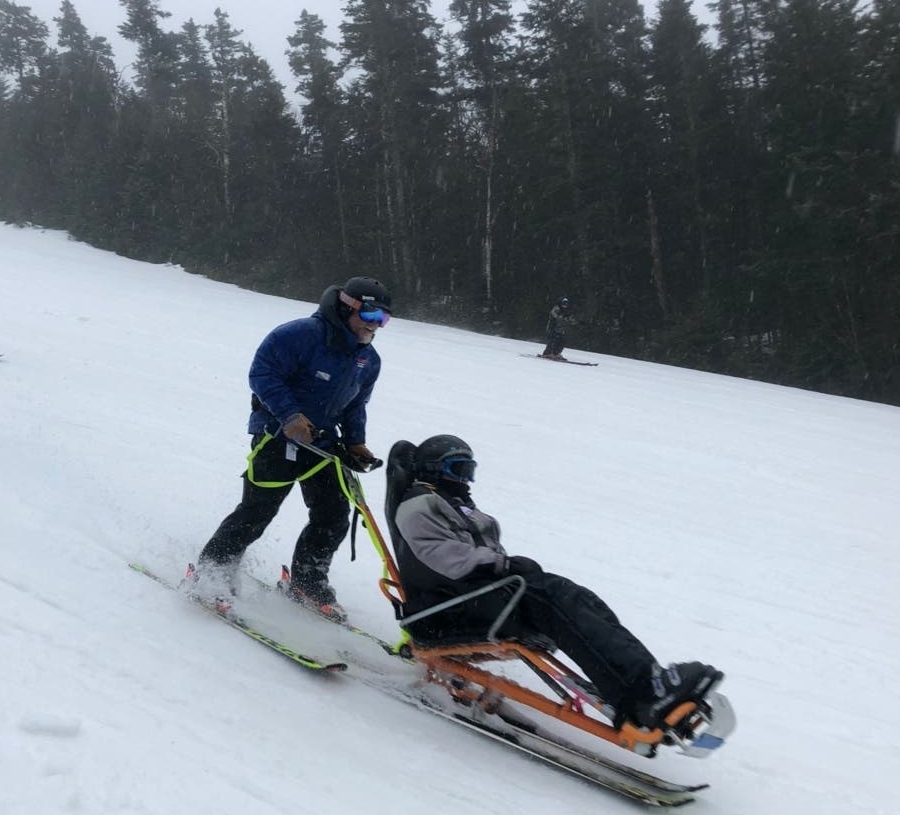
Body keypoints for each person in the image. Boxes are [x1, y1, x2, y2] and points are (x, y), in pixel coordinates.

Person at [387, 434, 723, 731]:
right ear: (433, 469)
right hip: (449, 610)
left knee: (576, 598)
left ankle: (649, 685)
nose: (466, 479)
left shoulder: (456, 505)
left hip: (478, 600)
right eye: (458, 470)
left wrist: (508, 567)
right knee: (555, 597)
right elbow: (443, 558)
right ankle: (644, 695)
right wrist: (503, 564)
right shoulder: (418, 504)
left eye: (469, 470)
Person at [194, 277, 393, 621]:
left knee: (333, 517)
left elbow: (356, 404)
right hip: (277, 438)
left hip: (322, 447)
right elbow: (262, 374)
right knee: (257, 512)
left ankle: (307, 582)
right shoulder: (299, 335)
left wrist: (355, 441)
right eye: (371, 315)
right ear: (347, 307)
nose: (376, 326)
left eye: (384, 319)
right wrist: (290, 415)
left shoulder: (368, 359)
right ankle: (212, 574)